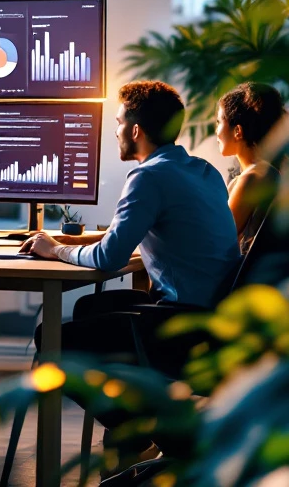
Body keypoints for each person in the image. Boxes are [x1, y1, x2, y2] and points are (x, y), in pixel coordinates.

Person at [21, 80, 241, 335]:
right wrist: (82, 240)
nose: (116, 132)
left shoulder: (148, 176)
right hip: (214, 313)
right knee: (88, 307)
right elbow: (171, 231)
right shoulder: (204, 171)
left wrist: (56, 250)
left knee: (49, 335)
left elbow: (110, 258)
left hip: (180, 322)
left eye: (119, 123)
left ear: (135, 131)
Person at [216, 82, 286, 253]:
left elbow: (218, 241)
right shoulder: (267, 172)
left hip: (243, 279)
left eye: (219, 122)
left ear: (237, 131)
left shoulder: (253, 177)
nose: (216, 131)